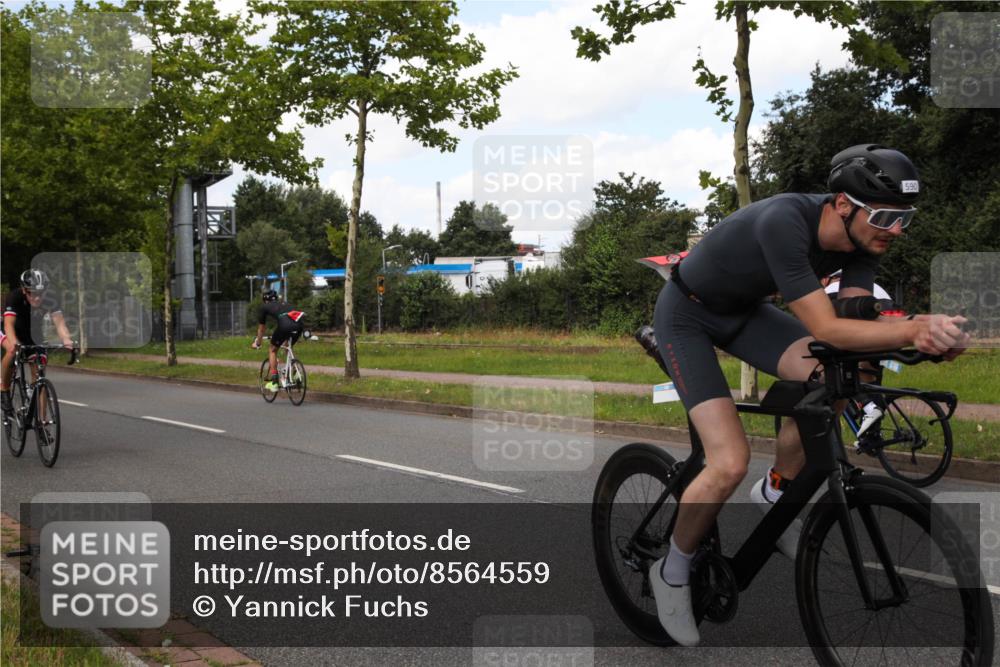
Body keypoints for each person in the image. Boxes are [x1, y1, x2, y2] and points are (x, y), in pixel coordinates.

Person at [648, 144, 969, 647]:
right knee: (728, 462)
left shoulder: (865, 240)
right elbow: (824, 325)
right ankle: (672, 570)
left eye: (904, 218)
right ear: (842, 204)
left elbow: (855, 314)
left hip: (745, 314)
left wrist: (929, 339)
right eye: (884, 216)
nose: (895, 230)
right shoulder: (785, 221)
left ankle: (776, 489)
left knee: (838, 372)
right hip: (687, 315)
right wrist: (911, 330)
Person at [1, 269, 75, 414]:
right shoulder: (14, 297)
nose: (36, 298)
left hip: (32, 333)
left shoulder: (51, 299)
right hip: (9, 331)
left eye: (40, 294)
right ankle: (3, 389)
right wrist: (15, 342)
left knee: (39, 375)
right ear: (24, 290)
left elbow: (59, 323)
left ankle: (42, 421)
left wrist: (66, 339)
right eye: (32, 293)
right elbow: (8, 325)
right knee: (11, 350)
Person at [252, 289, 305, 391]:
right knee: (287, 346)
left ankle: (274, 381)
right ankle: (296, 373)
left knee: (272, 349)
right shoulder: (284, 303)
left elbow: (262, 328)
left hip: (285, 325)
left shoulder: (265, 307)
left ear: (265, 300)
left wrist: (258, 342)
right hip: (299, 325)